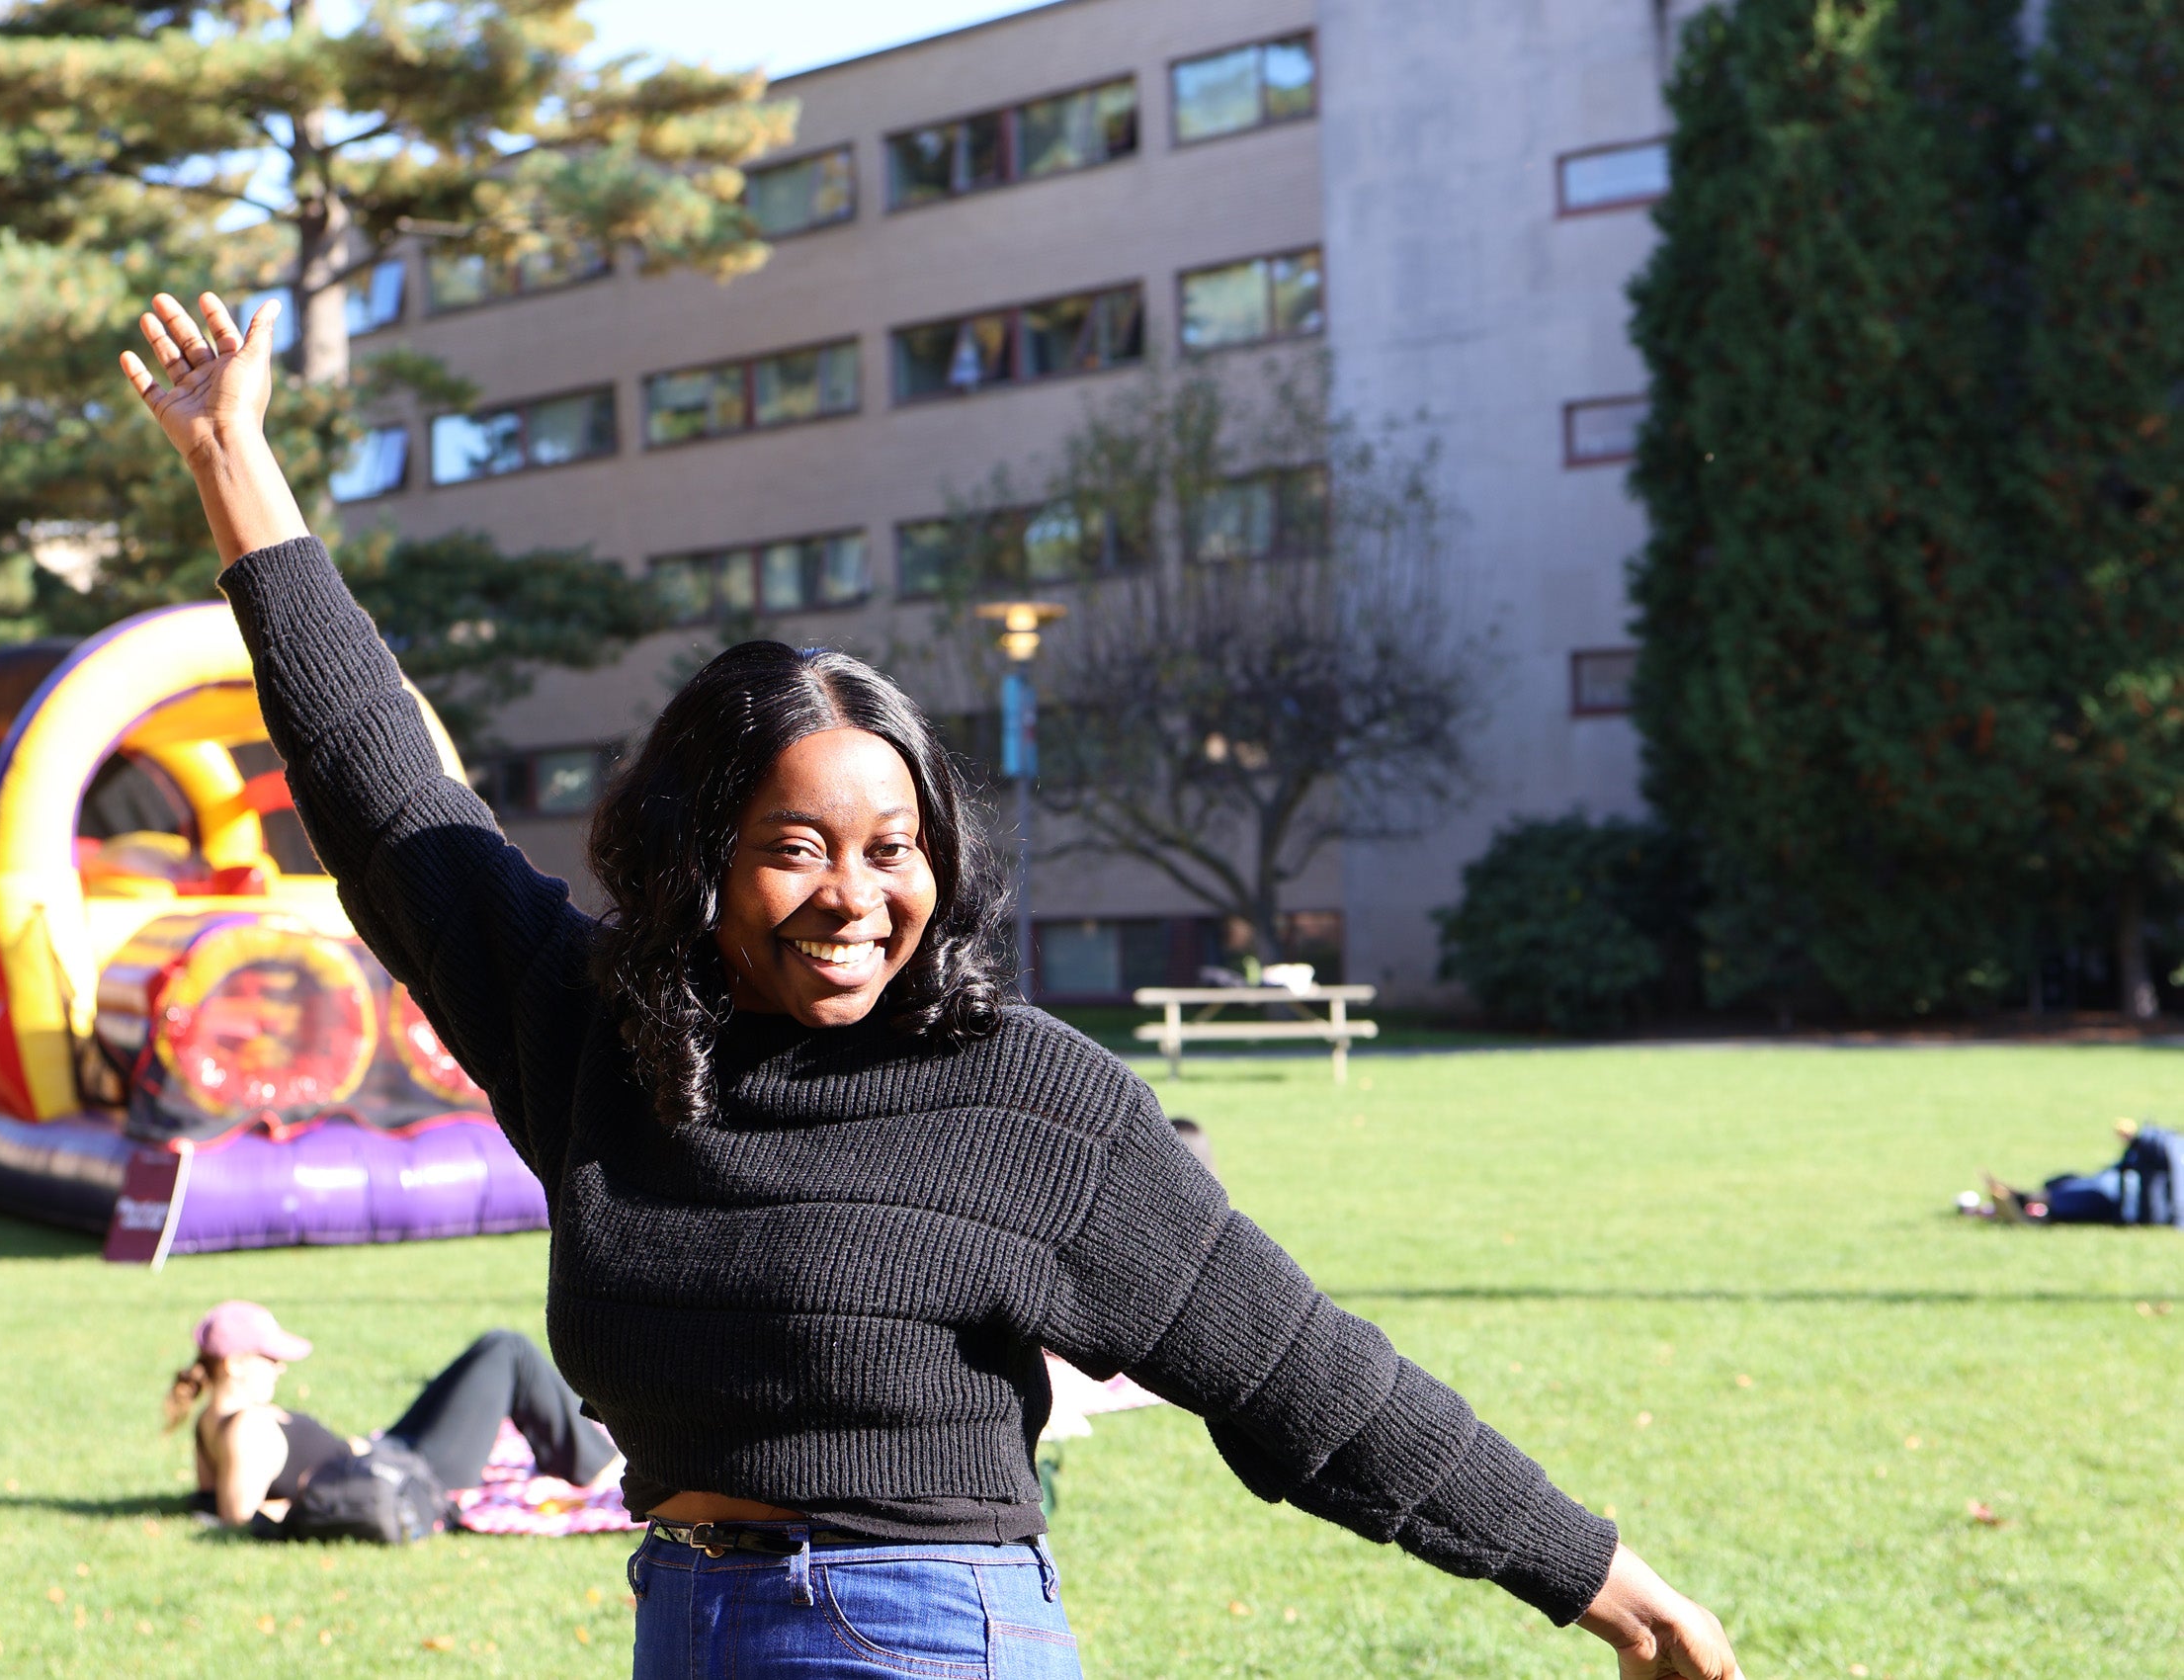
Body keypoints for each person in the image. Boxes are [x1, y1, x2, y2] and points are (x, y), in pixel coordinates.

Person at [121, 291, 1741, 1679]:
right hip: (684, 1619)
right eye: (798, 846)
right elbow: (389, 795)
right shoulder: (596, 1031)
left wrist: (1586, 1573)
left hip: (921, 1631)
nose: (856, 895)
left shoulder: (1032, 1100)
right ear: (698, 855)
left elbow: (1298, 1372)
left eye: (894, 848)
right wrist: (229, 460)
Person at [166, 1300, 619, 1531]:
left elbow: (208, 1499)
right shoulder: (244, 1429)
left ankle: (578, 1452)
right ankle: (596, 1466)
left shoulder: (212, 1421)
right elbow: (237, 1517)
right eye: (269, 1358)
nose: (280, 1367)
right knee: (507, 1350)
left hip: (388, 1451)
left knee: (491, 1351)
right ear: (233, 1364)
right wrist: (293, 1504)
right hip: (408, 1475)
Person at [1964, 1119, 2183, 1226]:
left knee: (2100, 1190)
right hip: (2124, 1185)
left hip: (2128, 1199)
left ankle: (2028, 1205)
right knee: (2081, 1181)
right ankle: (2022, 1202)